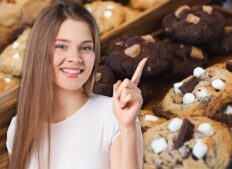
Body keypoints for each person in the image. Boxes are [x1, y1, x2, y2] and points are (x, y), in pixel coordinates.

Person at [6, 0, 146, 169]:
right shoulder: (18, 127)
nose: (75, 58)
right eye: (61, 46)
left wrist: (127, 128)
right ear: (39, 52)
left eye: (86, 48)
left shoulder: (114, 117)